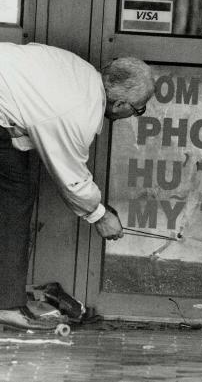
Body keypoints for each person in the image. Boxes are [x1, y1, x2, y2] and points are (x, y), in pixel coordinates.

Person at [0, 42, 155, 330]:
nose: (133, 115)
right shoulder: (78, 111)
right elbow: (70, 178)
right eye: (138, 110)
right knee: (15, 194)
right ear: (120, 104)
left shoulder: (80, 73)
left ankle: (6, 302)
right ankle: (6, 305)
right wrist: (101, 216)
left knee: (16, 192)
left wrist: (97, 208)